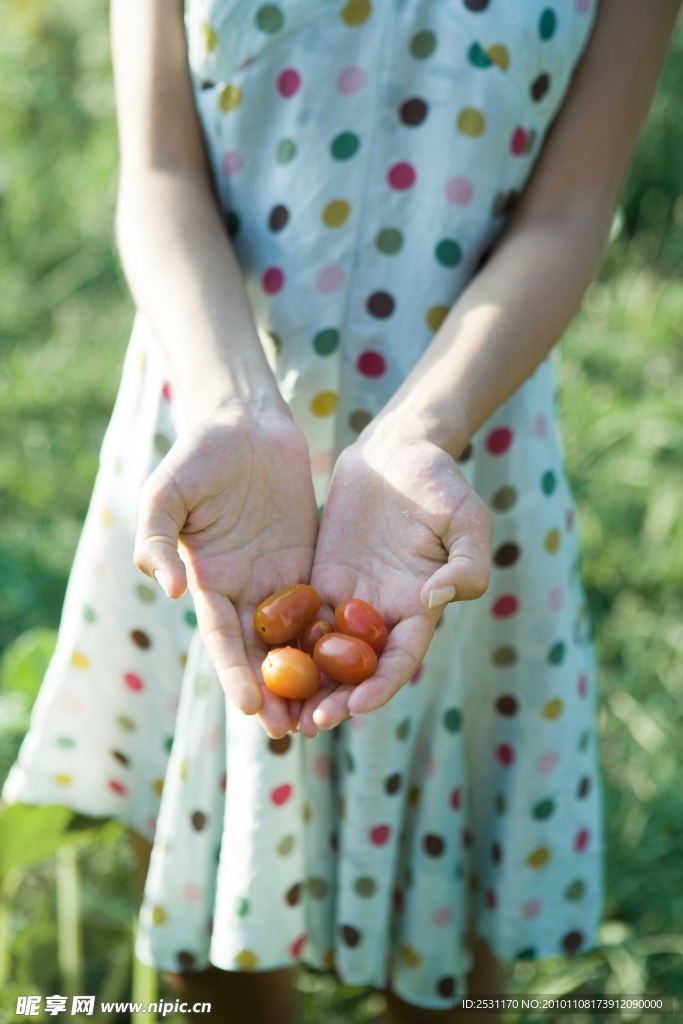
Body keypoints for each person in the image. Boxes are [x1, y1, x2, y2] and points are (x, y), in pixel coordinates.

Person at [4, 0, 680, 1020]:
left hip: (458, 447)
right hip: (212, 416)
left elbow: (566, 210)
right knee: (212, 898)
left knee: (443, 946)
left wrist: (419, 430)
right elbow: (158, 172)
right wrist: (232, 400)